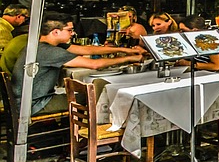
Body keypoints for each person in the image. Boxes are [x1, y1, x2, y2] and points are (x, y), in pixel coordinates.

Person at [12, 13, 144, 115]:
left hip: (24, 100)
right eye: (69, 30)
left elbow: (87, 49)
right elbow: (94, 65)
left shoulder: (42, 45)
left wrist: (124, 50)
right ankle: (91, 135)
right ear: (56, 32)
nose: (73, 33)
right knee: (94, 96)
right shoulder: (49, 51)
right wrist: (128, 59)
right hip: (34, 105)